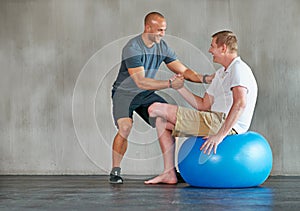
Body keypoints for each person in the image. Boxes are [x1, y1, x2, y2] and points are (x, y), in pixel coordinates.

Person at [110, 11, 214, 184]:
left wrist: (205, 78)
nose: (162, 34)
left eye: (164, 30)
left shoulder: (162, 47)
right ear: (147, 27)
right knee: (125, 127)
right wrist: (170, 84)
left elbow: (183, 70)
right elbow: (140, 81)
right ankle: (115, 171)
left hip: (146, 95)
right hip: (124, 94)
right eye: (159, 30)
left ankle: (170, 172)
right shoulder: (132, 48)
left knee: (165, 122)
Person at [144, 30, 258, 185]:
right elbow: (203, 105)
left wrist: (219, 136)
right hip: (213, 118)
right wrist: (180, 87)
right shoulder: (221, 74)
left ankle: (170, 173)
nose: (210, 50)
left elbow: (240, 103)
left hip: (225, 123)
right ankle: (169, 173)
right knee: (161, 122)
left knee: (154, 108)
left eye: (212, 46)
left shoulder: (239, 68)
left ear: (223, 48)